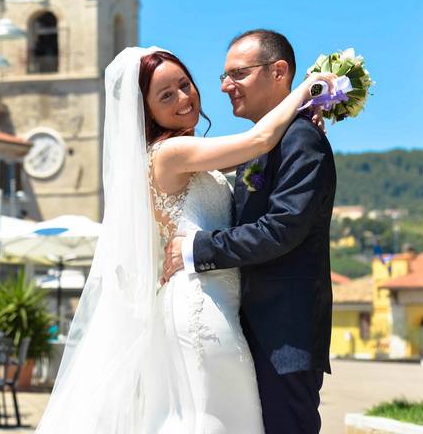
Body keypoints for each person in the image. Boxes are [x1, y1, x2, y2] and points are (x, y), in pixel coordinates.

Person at [34, 39, 335, 433]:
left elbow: (262, 159)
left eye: (185, 84)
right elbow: (258, 141)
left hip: (226, 305)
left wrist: (301, 118)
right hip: (200, 306)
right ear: (146, 111)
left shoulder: (202, 155)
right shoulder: (170, 153)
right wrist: (307, 92)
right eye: (165, 95)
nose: (183, 98)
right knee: (209, 417)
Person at [163, 31, 337, 433]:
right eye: (224, 76)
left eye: (238, 74)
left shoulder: (301, 139)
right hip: (244, 329)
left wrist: (195, 249)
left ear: (279, 72)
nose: (225, 86)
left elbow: (282, 228)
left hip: (284, 334)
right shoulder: (261, 142)